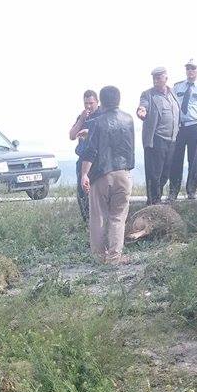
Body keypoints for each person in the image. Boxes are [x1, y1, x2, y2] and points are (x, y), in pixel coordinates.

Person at [80, 86, 135, 265]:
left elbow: (91, 151)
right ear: (118, 100)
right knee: (118, 217)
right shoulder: (128, 120)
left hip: (102, 175)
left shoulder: (97, 122)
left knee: (99, 217)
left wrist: (84, 174)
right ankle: (114, 258)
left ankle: (98, 257)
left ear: (101, 102)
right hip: (124, 174)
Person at [169, 58, 197, 200]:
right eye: (188, 68)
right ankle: (173, 191)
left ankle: (191, 191)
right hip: (180, 127)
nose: (190, 71)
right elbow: (173, 106)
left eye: (193, 68)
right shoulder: (177, 87)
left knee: (193, 160)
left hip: (194, 126)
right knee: (176, 159)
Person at [136, 67, 179, 204]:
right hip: (157, 139)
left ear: (166, 78)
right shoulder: (148, 94)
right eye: (154, 77)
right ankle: (154, 201)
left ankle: (156, 197)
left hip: (171, 139)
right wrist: (141, 111)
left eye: (159, 77)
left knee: (165, 172)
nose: (155, 80)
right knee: (154, 173)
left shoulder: (172, 92)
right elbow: (143, 106)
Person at [70, 90, 100, 221]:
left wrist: (90, 132)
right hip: (82, 157)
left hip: (97, 159)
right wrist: (82, 119)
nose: (88, 106)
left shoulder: (102, 115)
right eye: (86, 103)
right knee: (82, 192)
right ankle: (86, 221)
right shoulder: (82, 117)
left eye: (91, 103)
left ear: (97, 102)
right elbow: (72, 135)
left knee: (97, 191)